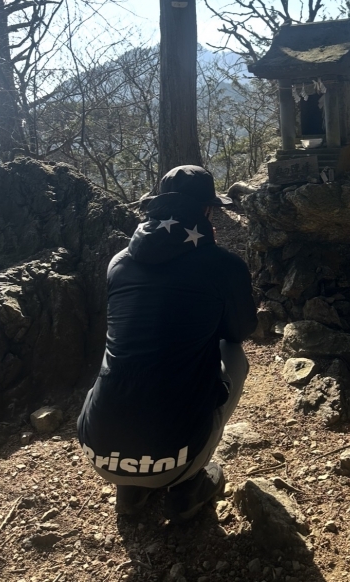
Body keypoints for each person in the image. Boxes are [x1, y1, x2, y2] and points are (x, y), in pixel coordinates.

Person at [77, 165, 258, 521]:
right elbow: (239, 331)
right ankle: (187, 488)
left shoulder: (119, 263)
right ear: (207, 211)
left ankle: (130, 492)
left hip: (97, 446)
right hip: (173, 458)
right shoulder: (224, 265)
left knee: (127, 349)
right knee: (233, 356)